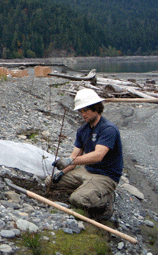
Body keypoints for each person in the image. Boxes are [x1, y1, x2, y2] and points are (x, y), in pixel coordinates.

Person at [47, 88, 123, 220]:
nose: (83, 114)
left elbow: (98, 155)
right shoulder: (83, 130)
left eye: (85, 110)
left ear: (96, 108)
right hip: (87, 171)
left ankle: (106, 200)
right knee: (50, 182)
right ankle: (89, 191)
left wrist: (70, 161)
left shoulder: (108, 129)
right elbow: (75, 156)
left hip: (106, 175)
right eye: (80, 111)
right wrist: (62, 172)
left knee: (77, 199)